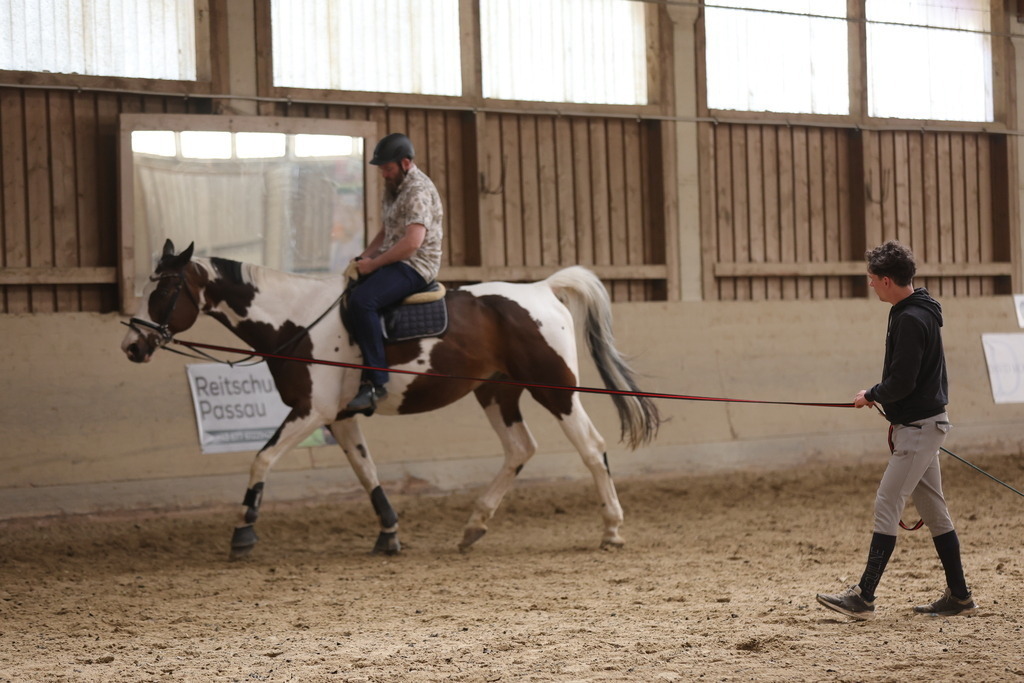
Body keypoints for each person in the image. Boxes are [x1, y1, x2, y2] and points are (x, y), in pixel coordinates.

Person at [816, 240, 976, 621]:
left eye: (872, 279)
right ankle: (960, 597)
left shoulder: (909, 318)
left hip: (919, 428)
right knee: (934, 510)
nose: (870, 285)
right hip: (923, 424)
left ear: (886, 280)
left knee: (888, 502)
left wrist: (871, 394)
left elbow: (902, 381)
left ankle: (864, 596)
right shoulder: (917, 310)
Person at [344, 133, 443, 414]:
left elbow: (412, 243)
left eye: (387, 169)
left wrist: (374, 265)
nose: (383, 175)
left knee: (364, 301)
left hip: (416, 264)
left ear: (405, 163)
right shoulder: (394, 187)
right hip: (394, 258)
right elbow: (388, 231)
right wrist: (366, 254)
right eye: (381, 170)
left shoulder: (417, 191)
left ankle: (377, 382)